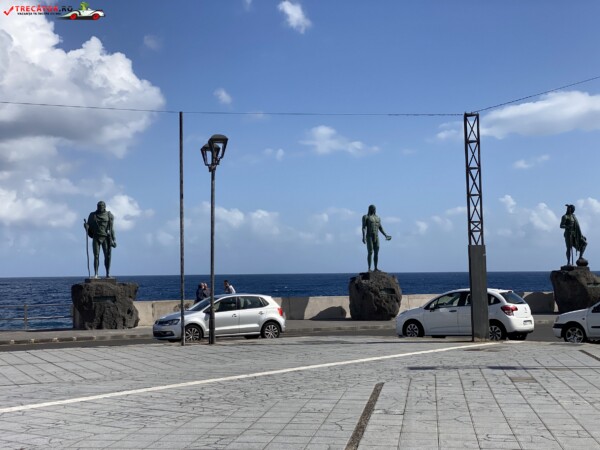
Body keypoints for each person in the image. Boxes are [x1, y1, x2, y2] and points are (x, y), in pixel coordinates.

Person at [84, 201, 116, 278]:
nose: (100, 207)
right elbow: (89, 226)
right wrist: (86, 227)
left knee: (107, 256)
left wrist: (114, 239)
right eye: (99, 206)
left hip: (106, 238)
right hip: (96, 237)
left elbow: (111, 228)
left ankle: (107, 273)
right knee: (96, 256)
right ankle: (96, 274)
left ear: (105, 206)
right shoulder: (92, 215)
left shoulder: (109, 215)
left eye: (102, 206)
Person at [362, 204, 392, 271]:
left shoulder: (378, 218)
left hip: (376, 236)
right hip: (369, 236)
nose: (374, 209)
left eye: (374, 208)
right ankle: (369, 268)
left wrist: (385, 235)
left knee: (376, 252)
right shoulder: (366, 217)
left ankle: (375, 268)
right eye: (372, 208)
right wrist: (363, 237)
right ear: (370, 209)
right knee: (370, 252)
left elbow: (380, 227)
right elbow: (363, 228)